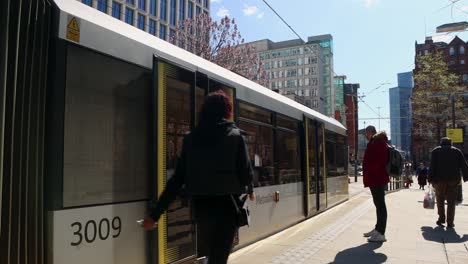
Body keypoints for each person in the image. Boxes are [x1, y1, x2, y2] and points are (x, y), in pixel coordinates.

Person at [142, 90, 255, 264]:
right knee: (219, 258)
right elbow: (246, 173)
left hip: (202, 209)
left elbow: (177, 180)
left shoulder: (190, 139)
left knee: (214, 255)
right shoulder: (235, 137)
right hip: (228, 207)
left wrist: (155, 215)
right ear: (228, 111)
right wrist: (250, 188)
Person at [428, 137, 468, 228]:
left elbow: (432, 166)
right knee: (451, 202)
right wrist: (466, 177)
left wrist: (430, 179)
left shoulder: (436, 151)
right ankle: (450, 222)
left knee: (440, 200)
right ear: (451, 143)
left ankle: (441, 218)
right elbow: (464, 165)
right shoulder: (457, 151)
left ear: (441, 143)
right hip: (453, 181)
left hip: (439, 180)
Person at [362, 125, 389, 243]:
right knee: (378, 204)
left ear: (371, 132)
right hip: (375, 177)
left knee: (380, 205)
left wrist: (370, 170)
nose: (365, 136)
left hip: (377, 178)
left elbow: (379, 161)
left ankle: (381, 233)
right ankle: (378, 229)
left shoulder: (378, 143)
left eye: (366, 133)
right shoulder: (375, 142)